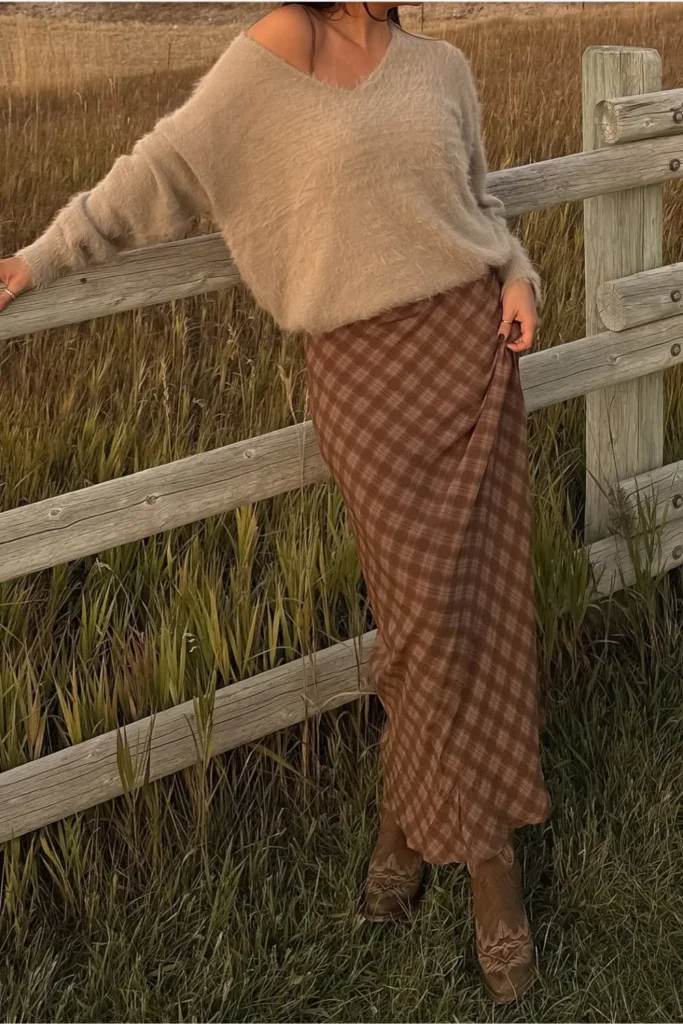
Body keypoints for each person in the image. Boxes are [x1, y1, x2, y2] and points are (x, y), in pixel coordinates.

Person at [0, 1, 551, 1004]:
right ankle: (487, 859)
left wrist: (514, 273)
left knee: (472, 614)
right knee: (423, 619)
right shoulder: (260, 67)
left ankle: (423, 835)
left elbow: (475, 200)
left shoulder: (442, 67)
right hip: (362, 382)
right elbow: (155, 173)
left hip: (467, 357)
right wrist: (38, 258)